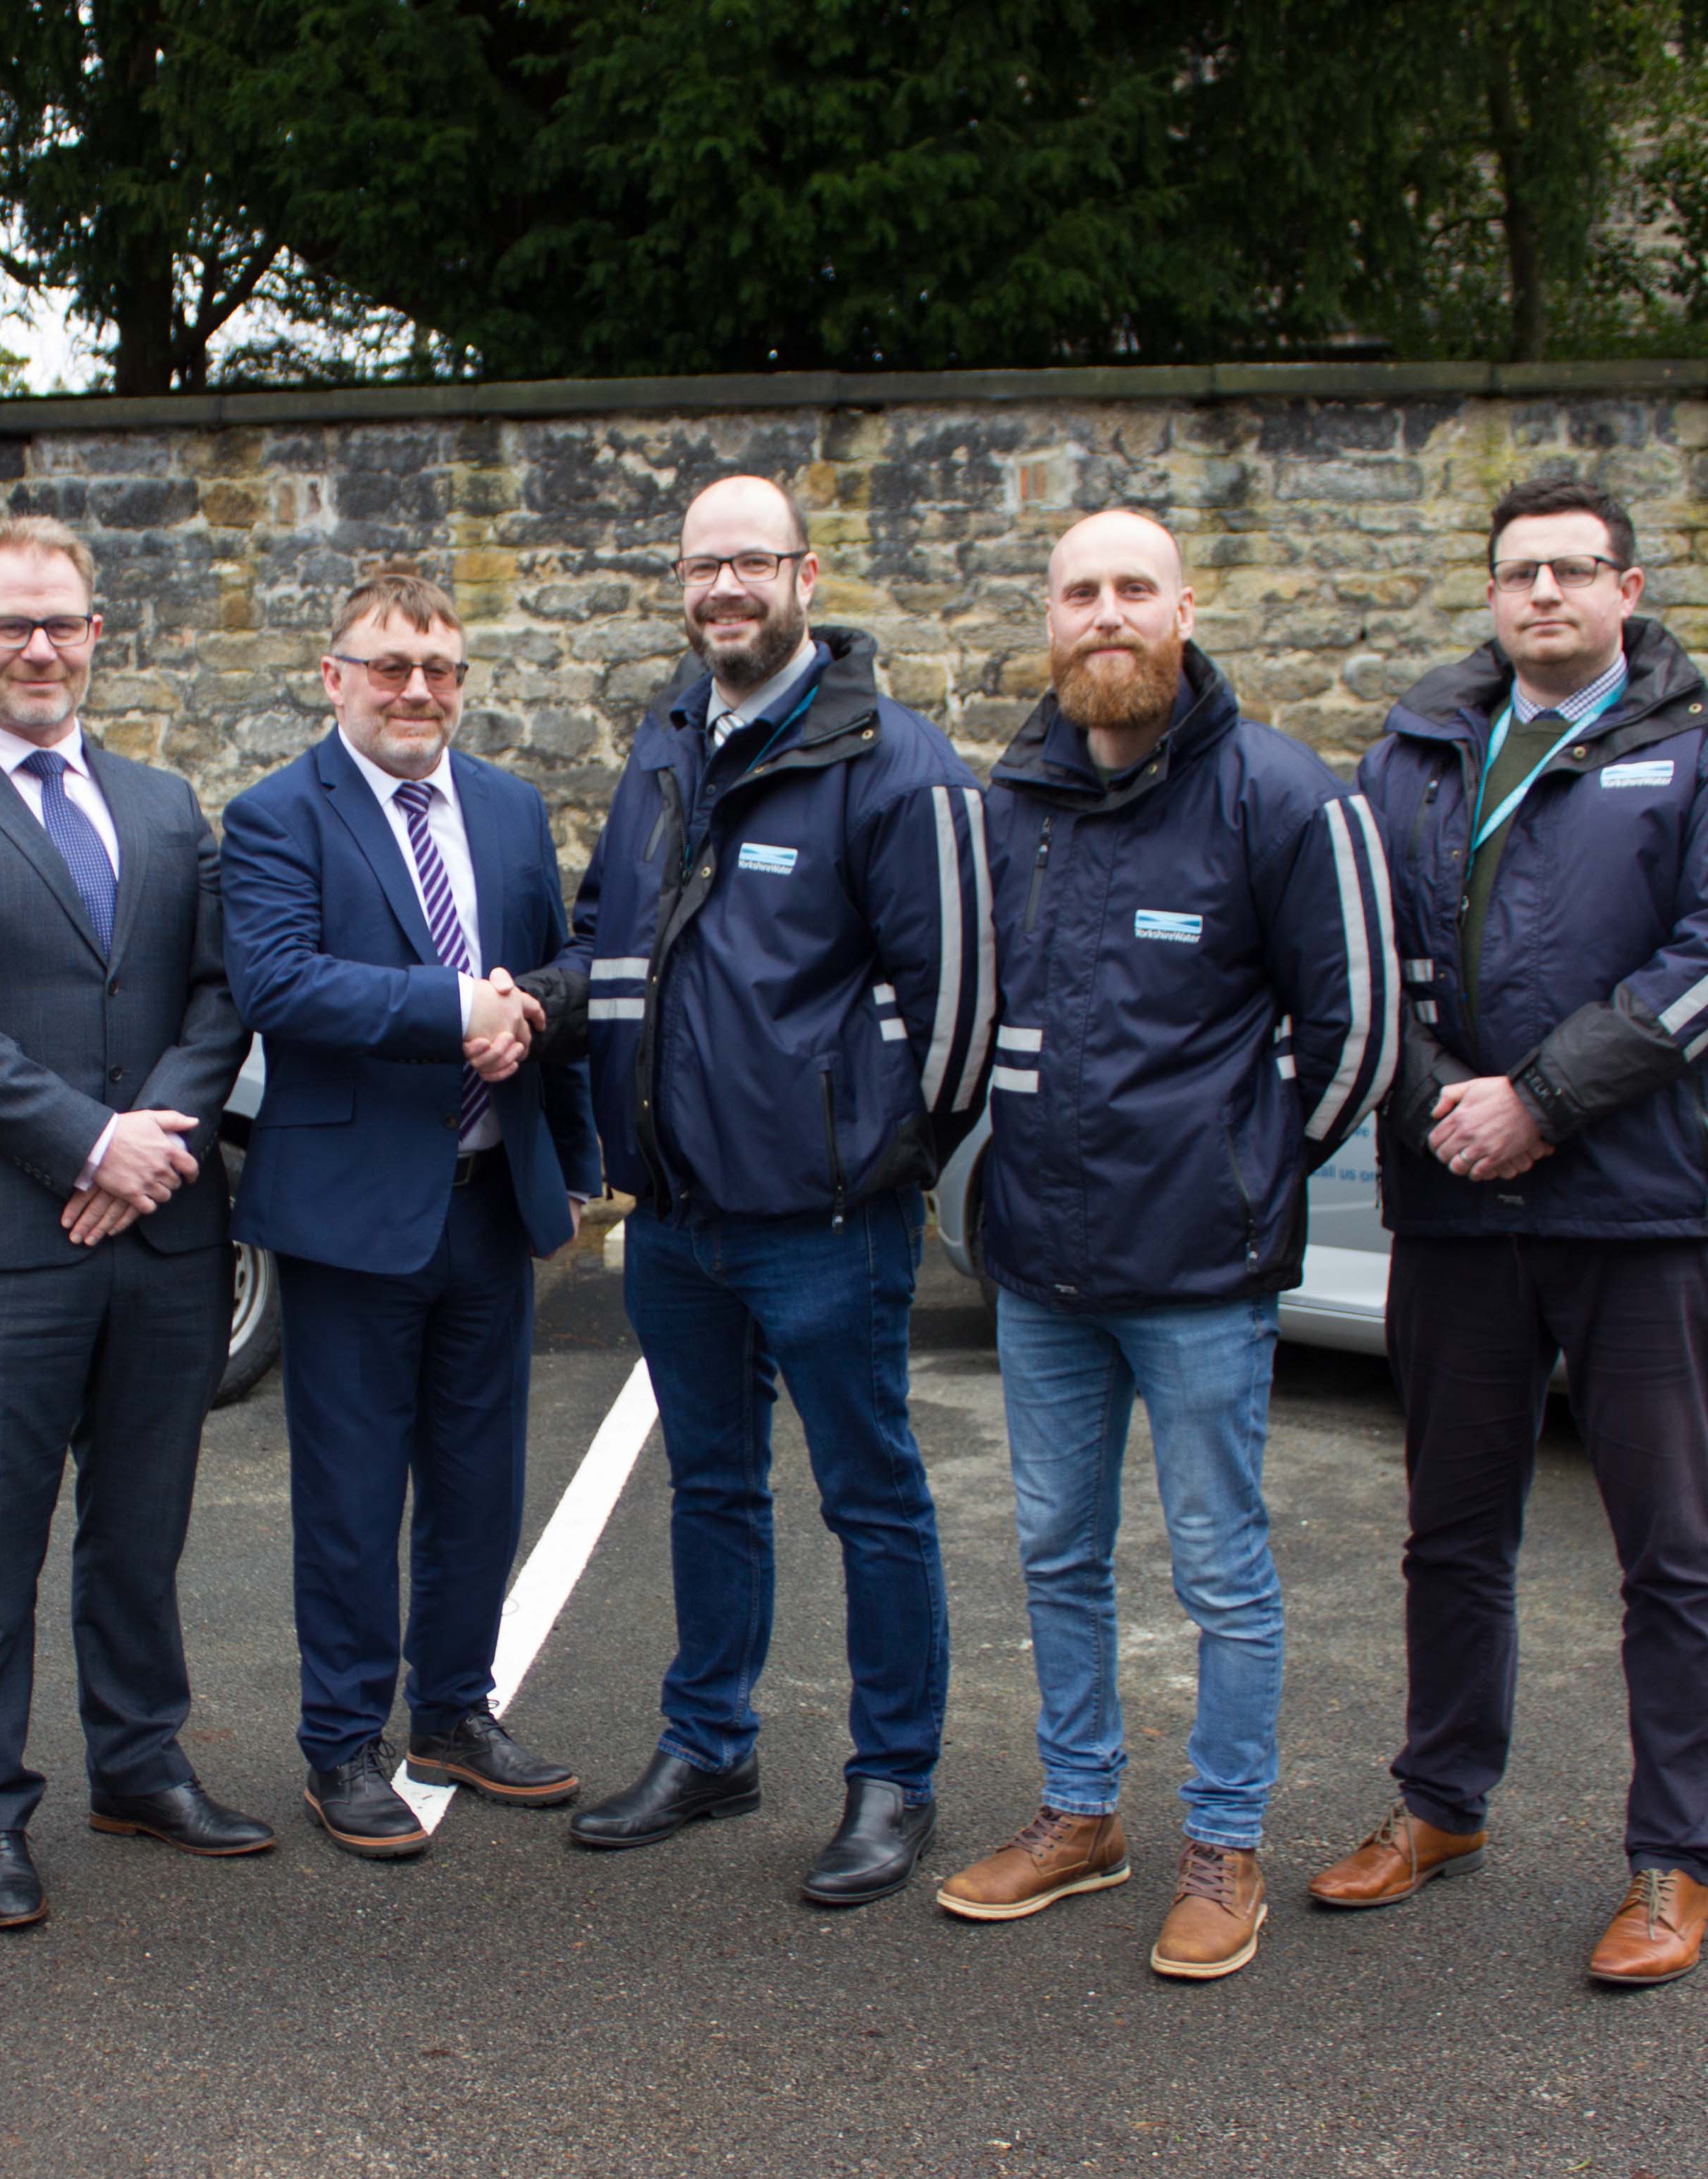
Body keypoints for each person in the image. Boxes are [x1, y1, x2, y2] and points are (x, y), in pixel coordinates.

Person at [1315, 473, 1708, 1987]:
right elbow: (1358, 960)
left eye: (1574, 572)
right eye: (1519, 572)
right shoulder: (1416, 754)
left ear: (1629, 592)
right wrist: (1442, 1101)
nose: (1544, 596)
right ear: (1491, 594)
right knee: (1452, 1534)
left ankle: (1671, 1860)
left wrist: (1540, 1099)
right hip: (1461, 1210)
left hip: (1649, 1214)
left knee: (1672, 1550)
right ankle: (1441, 1805)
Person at [932, 510, 1397, 1981]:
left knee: (1221, 1570)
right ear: (1049, 617)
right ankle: (1082, 1816)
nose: (1108, 614)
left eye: (1136, 588)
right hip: (1046, 1270)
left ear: (1187, 607)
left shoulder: (1279, 796)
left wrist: (1252, 1176)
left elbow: (1358, 1030)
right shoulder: (1016, 803)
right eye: (1081, 592)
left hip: (1201, 1273)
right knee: (1059, 1549)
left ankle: (1222, 1841)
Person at [536, 474, 995, 1908]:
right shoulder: (667, 742)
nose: (725, 589)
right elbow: (617, 941)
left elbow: (961, 1001)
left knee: (873, 1499)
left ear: (803, 574)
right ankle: (709, 1743)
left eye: (751, 562)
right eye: (701, 566)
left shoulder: (894, 763)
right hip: (674, 1214)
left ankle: (895, 1779)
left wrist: (877, 1156)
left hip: (826, 1220)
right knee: (712, 1488)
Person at [0, 514, 267, 1932]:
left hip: (159, 1239)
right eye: (11, 622)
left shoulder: (160, 805)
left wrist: (147, 1146)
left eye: (63, 621)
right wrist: (89, 1139)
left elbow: (220, 996)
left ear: (95, 634)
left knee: (141, 1530)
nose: (39, 647)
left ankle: (140, 1765)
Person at [218, 571, 604, 1858]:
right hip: (352, 1220)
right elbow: (277, 982)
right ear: (334, 677)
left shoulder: (505, 806)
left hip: (490, 1203)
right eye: (389, 667)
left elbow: (556, 963)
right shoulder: (277, 816)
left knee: (481, 1484)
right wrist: (457, 1012)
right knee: (350, 1495)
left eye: (439, 667)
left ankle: (452, 1711)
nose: (418, 691)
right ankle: (341, 1745)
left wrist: (528, 1014)